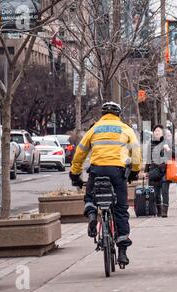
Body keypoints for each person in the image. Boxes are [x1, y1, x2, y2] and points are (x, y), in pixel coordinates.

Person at [69, 102, 142, 266]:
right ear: (118, 114)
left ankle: (92, 213)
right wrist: (135, 171)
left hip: (97, 170)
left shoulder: (94, 129)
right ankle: (122, 250)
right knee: (121, 209)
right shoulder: (125, 128)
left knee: (90, 196)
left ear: (102, 114)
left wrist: (75, 174)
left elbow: (80, 152)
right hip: (117, 171)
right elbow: (136, 152)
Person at [145, 125, 171, 217]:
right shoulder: (150, 143)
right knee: (155, 193)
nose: (157, 132)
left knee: (164, 191)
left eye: (159, 131)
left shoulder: (167, 142)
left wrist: (168, 149)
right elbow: (148, 158)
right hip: (154, 170)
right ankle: (159, 210)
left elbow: (174, 156)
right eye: (155, 131)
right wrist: (146, 171)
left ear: (162, 132)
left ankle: (165, 211)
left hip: (165, 170)